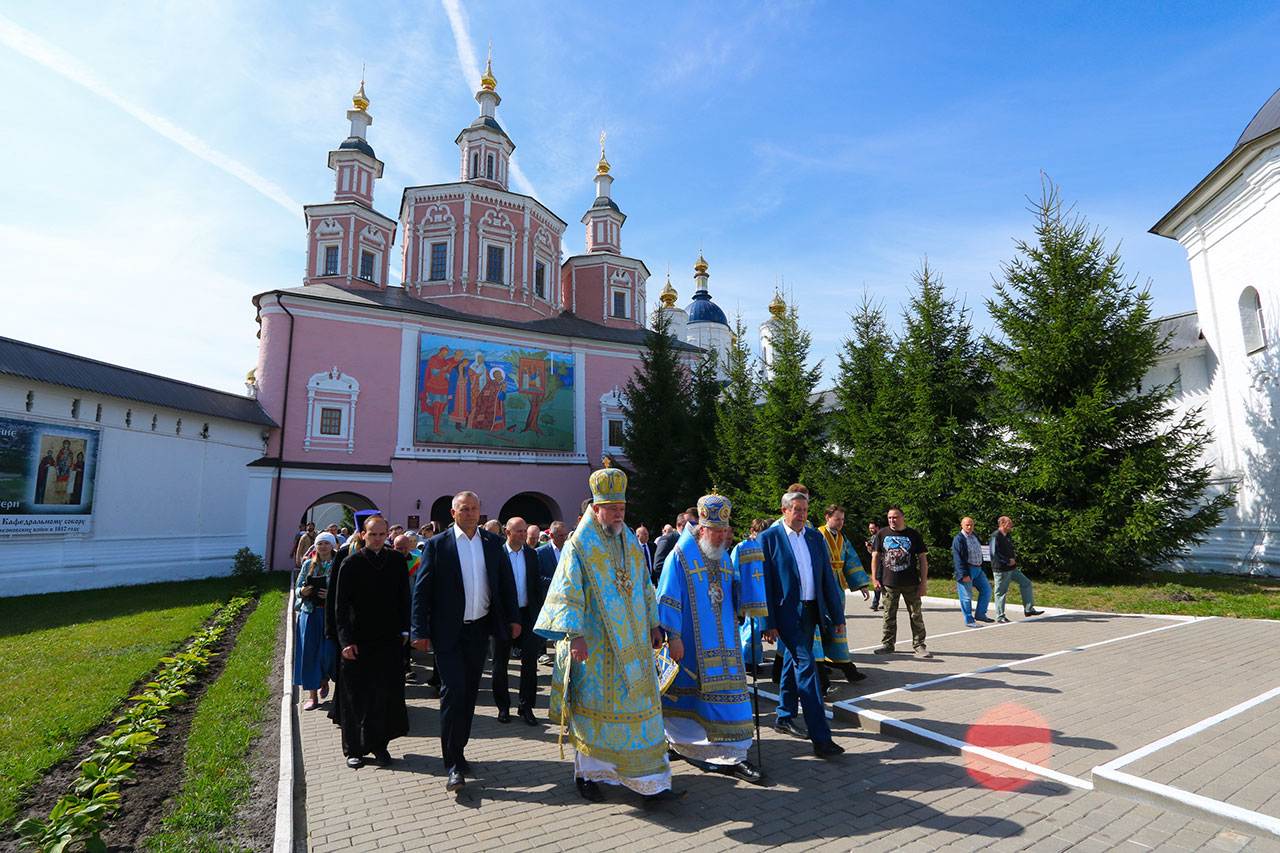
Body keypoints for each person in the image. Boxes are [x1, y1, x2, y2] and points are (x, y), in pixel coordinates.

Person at [534, 467, 674, 803]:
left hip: (635, 646)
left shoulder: (628, 539)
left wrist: (655, 624)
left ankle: (649, 783)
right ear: (595, 509)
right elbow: (567, 593)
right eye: (612, 509)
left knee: (640, 713)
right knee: (593, 715)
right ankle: (587, 775)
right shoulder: (579, 545)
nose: (618, 514)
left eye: (622, 508)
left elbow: (643, 586)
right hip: (594, 649)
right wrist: (575, 635)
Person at [411, 492, 519, 792]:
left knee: (469, 693)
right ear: (453, 512)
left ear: (480, 512)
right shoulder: (437, 545)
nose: (470, 513)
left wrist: (513, 619)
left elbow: (505, 583)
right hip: (448, 632)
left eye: (474, 509)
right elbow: (422, 591)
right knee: (453, 691)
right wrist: (419, 630)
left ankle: (459, 749)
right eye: (464, 509)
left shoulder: (492, 543)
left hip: (479, 630)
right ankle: (453, 762)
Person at [658, 494, 764, 784]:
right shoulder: (680, 556)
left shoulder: (724, 557)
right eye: (716, 532)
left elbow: (732, 597)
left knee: (731, 700)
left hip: (726, 644)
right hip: (691, 645)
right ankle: (683, 744)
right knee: (689, 705)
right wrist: (673, 637)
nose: (721, 537)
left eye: (725, 532)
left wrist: (749, 583)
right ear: (702, 528)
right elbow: (667, 596)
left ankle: (735, 754)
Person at [758, 489, 846, 758]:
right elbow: (764, 583)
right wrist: (768, 622)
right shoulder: (769, 539)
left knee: (792, 663)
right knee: (807, 668)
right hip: (786, 616)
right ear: (784, 510)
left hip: (811, 613)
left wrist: (837, 617)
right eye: (796, 510)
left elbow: (827, 579)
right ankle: (821, 738)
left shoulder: (813, 537)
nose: (801, 516)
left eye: (805, 511)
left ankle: (784, 715)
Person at [332, 516, 410, 768]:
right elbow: (340, 607)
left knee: (382, 696)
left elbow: (404, 598)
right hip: (358, 641)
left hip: (388, 640)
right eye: (372, 534)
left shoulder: (397, 560)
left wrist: (405, 631)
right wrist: (345, 641)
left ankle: (379, 745)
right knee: (355, 697)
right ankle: (354, 748)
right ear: (363, 535)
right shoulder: (351, 563)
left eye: (381, 534)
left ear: (387, 535)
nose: (377, 539)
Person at [492, 516, 546, 725]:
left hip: (527, 614)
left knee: (530, 663)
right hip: (503, 617)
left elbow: (535, 585)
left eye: (525, 531)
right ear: (507, 532)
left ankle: (526, 707)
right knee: (500, 663)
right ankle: (503, 707)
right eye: (519, 531)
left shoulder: (532, 555)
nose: (523, 535)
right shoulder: (497, 555)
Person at [816, 505, 868, 684]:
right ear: (827, 517)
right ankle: (837, 664)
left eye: (843, 520)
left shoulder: (842, 538)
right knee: (823, 624)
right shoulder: (817, 535)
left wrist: (861, 584)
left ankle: (835, 661)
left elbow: (851, 560)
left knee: (837, 625)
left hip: (837, 587)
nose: (840, 523)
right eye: (837, 519)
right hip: (821, 587)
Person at [871, 506, 931, 658]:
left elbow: (923, 559)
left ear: (902, 517)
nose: (892, 520)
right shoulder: (882, 534)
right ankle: (888, 644)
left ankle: (919, 645)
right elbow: (875, 557)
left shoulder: (913, 534)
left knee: (915, 615)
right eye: (890, 517)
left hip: (911, 583)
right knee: (888, 615)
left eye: (895, 517)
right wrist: (874, 578)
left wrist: (923, 583)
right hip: (889, 583)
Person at [295, 532, 339, 710]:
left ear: (332, 545)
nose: (323, 547)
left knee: (329, 652)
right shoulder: (308, 564)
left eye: (326, 544)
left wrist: (331, 594)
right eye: (320, 544)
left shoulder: (339, 564)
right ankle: (312, 695)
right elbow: (298, 586)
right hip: (310, 614)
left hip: (330, 615)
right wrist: (302, 592)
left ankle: (324, 678)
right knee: (309, 653)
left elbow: (345, 589)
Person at [990, 516, 1044, 622]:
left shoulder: (1008, 535)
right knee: (1001, 592)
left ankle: (1029, 609)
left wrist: (1013, 560)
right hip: (1001, 570)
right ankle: (1000, 616)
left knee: (1026, 583)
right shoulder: (995, 536)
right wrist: (1006, 561)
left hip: (1012, 569)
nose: (1011, 525)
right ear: (1002, 524)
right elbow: (993, 552)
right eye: (1009, 523)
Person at [733, 518, 769, 674]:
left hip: (761, 593)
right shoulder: (741, 547)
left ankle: (754, 660)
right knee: (750, 629)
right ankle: (746, 661)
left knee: (758, 629)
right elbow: (734, 571)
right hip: (747, 594)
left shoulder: (766, 546)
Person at [535, 521, 569, 666]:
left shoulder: (569, 550)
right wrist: (556, 582)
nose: (564, 538)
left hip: (566, 596)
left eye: (565, 535)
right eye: (560, 535)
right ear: (552, 535)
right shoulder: (541, 552)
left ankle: (562, 649)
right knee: (546, 623)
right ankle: (541, 652)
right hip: (547, 595)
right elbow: (537, 576)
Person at [952, 517, 993, 627]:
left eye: (971, 525)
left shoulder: (975, 536)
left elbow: (980, 552)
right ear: (962, 525)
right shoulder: (959, 539)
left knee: (987, 590)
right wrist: (963, 574)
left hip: (978, 569)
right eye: (967, 525)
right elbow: (958, 558)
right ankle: (969, 620)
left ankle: (980, 614)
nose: (969, 527)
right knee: (966, 596)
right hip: (967, 570)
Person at [393, 535, 423, 681]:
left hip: (409, 605)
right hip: (391, 606)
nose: (402, 551)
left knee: (406, 638)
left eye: (405, 548)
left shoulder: (416, 562)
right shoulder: (388, 560)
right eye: (399, 548)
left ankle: (406, 668)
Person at [866, 520, 882, 611]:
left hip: (882, 562)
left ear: (877, 527)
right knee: (880, 582)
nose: (871, 530)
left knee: (878, 581)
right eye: (870, 528)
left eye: (872, 528)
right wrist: (868, 547)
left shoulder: (881, 536)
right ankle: (881, 602)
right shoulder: (872, 537)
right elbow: (872, 552)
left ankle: (875, 603)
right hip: (876, 562)